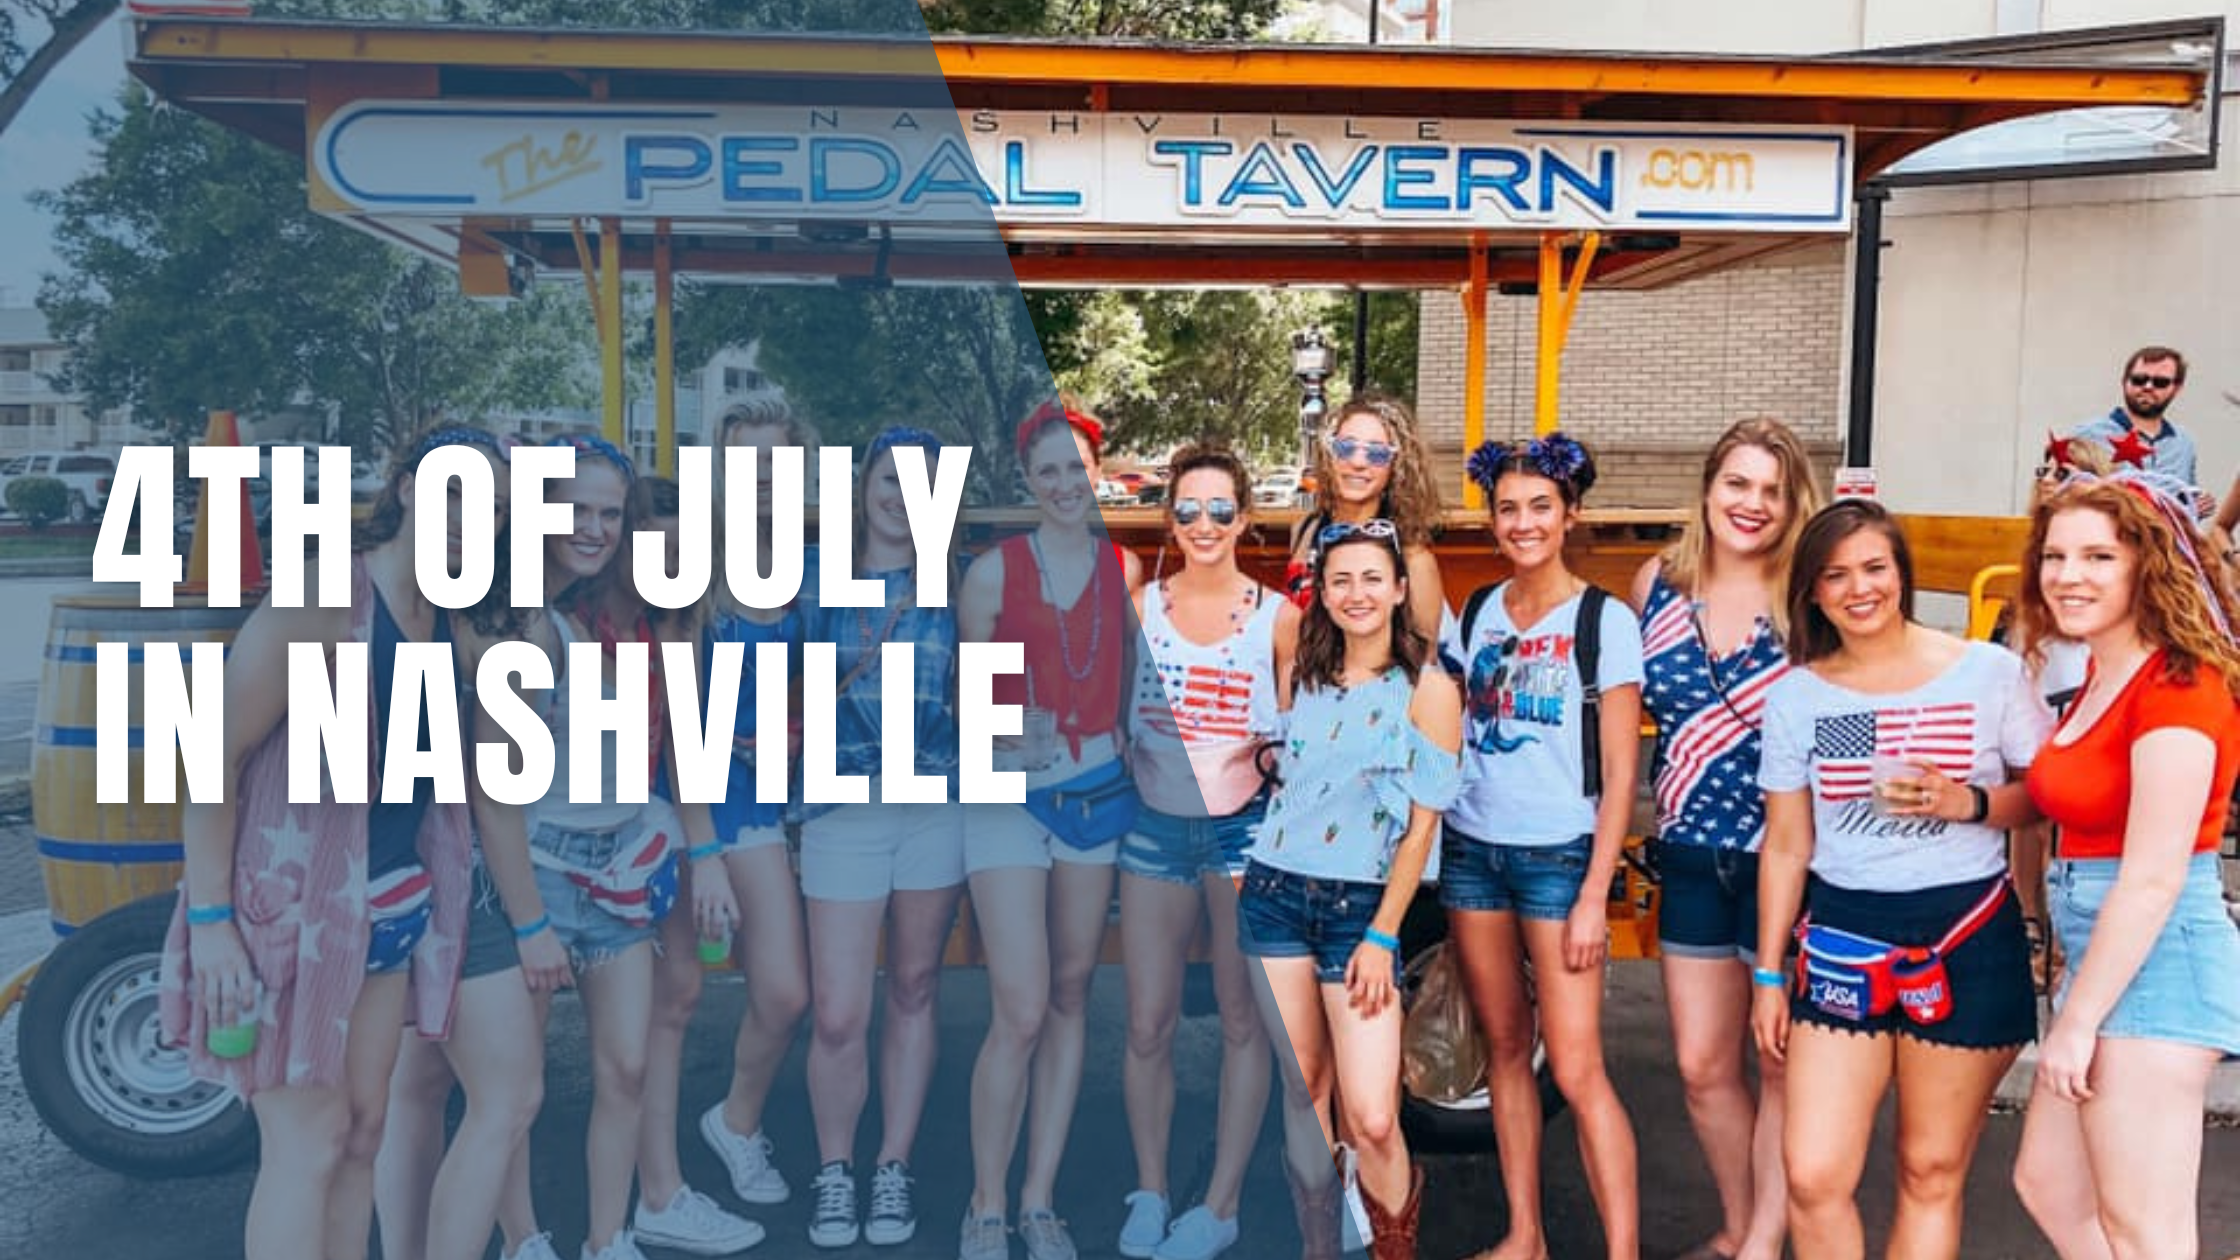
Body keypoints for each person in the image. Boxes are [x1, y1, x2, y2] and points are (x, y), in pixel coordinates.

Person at [160, 426, 517, 1260]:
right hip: (291, 916)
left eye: (494, 509)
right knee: (307, 1143)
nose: (472, 520)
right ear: (403, 489)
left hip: (389, 910)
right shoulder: (324, 600)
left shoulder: (445, 622)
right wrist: (212, 923)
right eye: (456, 492)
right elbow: (211, 759)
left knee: (363, 1132)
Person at [1753, 499, 2048, 1260]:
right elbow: (1787, 844)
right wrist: (1766, 973)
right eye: (1836, 575)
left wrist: (1968, 801)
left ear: (1902, 574)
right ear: (1812, 592)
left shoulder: (1990, 672)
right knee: (1813, 1175)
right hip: (1844, 933)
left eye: (1875, 568)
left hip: (1966, 933)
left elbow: (2042, 799)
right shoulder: (1797, 696)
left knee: (1930, 1169)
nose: (1860, 589)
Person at [2011, 475, 2240, 1260]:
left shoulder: (2181, 686)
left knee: (2148, 1233)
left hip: (2159, 957)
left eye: (2099, 556)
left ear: (2149, 563)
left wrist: (2074, 1025)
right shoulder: (2101, 677)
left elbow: (2151, 877)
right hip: (2107, 951)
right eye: (2056, 555)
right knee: (2050, 1185)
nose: (2069, 575)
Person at [1442, 432, 1642, 1260]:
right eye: (1508, 509)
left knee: (1577, 1066)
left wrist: (1597, 890)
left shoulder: (1605, 621)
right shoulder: (1482, 609)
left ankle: (1623, 1249)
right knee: (1503, 1051)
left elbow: (1624, 775)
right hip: (1473, 850)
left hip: (1560, 859)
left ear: (1570, 517)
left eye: (1540, 508)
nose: (1523, 523)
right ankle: (1525, 1234)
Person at [1240, 517, 1461, 1260]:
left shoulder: (1428, 691)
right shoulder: (1303, 670)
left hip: (1359, 912)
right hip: (1275, 893)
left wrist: (1383, 933)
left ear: (1401, 589)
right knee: (1304, 1090)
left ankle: (1393, 1244)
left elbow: (1422, 830)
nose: (1356, 593)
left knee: (1370, 1114)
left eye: (1373, 578)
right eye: (1341, 580)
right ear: (1322, 594)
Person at [1628, 418, 1821, 1260]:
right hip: (1692, 852)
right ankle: (1745, 1222)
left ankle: (1765, 1239)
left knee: (1780, 1064)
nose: (1753, 504)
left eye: (1772, 492)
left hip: (1790, 858)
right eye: (1738, 484)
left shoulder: (1810, 594)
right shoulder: (1656, 585)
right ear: (1708, 489)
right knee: (1705, 1066)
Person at [956, 399, 1141, 1260]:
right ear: (1027, 480)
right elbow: (968, 700)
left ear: (1098, 474)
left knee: (1072, 994)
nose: (1066, 484)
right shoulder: (994, 572)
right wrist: (1003, 727)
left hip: (1097, 793)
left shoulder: (1127, 569)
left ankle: (1038, 1198)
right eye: (1049, 471)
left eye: (1079, 468)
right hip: (1008, 798)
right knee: (1022, 1006)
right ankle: (985, 1201)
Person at [790, 425, 967, 1251]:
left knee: (916, 986)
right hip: (841, 812)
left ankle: (890, 1163)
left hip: (934, 806)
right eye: (888, 477)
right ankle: (835, 1168)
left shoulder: (954, 584)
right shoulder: (811, 577)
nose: (900, 494)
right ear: (862, 485)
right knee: (837, 1011)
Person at [1115, 445, 1294, 1260]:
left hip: (1243, 831)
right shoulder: (1141, 605)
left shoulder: (1278, 618)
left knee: (1239, 1018)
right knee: (1147, 1022)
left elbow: (1295, 738)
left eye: (1221, 510)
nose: (1204, 525)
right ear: (1169, 519)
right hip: (1153, 826)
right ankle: (1150, 1191)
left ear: (1245, 519)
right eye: (1188, 510)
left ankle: (1218, 1205)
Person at [696, 397, 817, 1214]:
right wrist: (700, 840)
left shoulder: (814, 571)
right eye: (749, 462)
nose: (764, 479)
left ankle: (728, 1125)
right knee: (778, 992)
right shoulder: (687, 571)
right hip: (720, 803)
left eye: (778, 462)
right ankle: (726, 1127)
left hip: (804, 802)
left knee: (794, 994)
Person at [1287, 394, 1446, 639]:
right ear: (1328, 452)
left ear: (1397, 466)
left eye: (1377, 453)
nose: (1358, 462)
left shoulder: (1413, 560)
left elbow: (1425, 663)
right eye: (1345, 448)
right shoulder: (1304, 531)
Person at [2070, 346, 2201, 493]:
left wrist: (2197, 504)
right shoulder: (2089, 434)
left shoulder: (2183, 443)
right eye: (2139, 380)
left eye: (2160, 382)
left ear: (2177, 388)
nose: (2148, 386)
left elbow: (2188, 499)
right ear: (2124, 381)